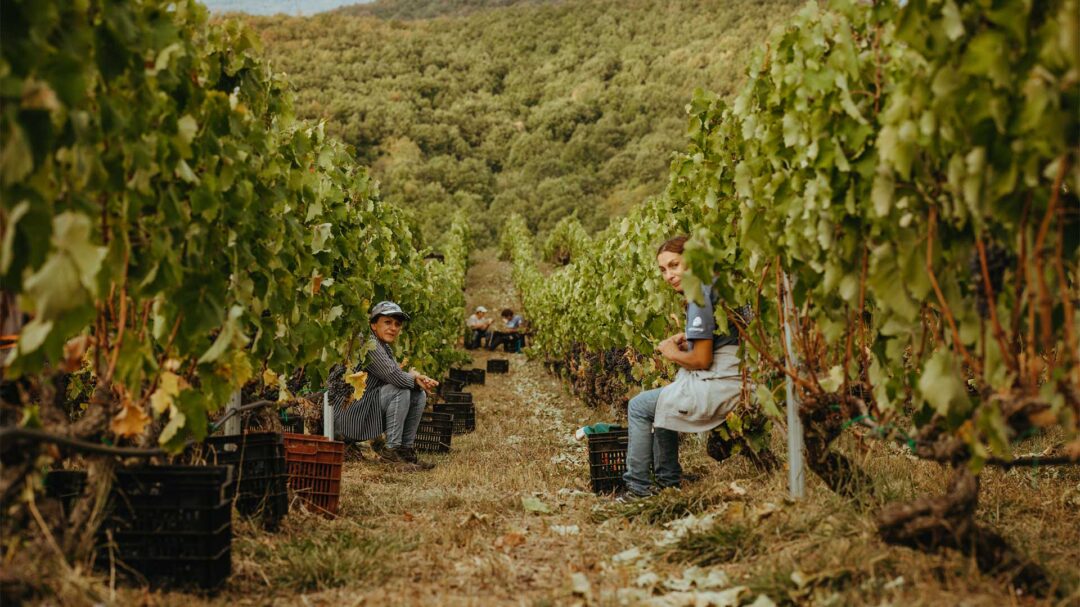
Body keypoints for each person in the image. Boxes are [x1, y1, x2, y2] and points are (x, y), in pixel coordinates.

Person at [620, 236, 744, 500]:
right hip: (731, 377)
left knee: (640, 406)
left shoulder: (699, 293)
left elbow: (702, 360)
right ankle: (667, 483)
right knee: (665, 401)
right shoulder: (716, 286)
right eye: (663, 270)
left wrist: (671, 352)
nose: (668, 275)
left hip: (720, 384)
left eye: (674, 265)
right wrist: (691, 338)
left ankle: (638, 489)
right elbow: (722, 340)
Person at [333, 301, 439, 470]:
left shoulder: (383, 347)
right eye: (387, 322)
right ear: (373, 325)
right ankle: (392, 452)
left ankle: (404, 451)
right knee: (402, 389)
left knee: (418, 394)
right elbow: (394, 376)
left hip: (361, 411)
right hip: (344, 419)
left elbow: (395, 374)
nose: (393, 328)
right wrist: (414, 379)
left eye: (397, 324)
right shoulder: (367, 343)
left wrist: (416, 379)